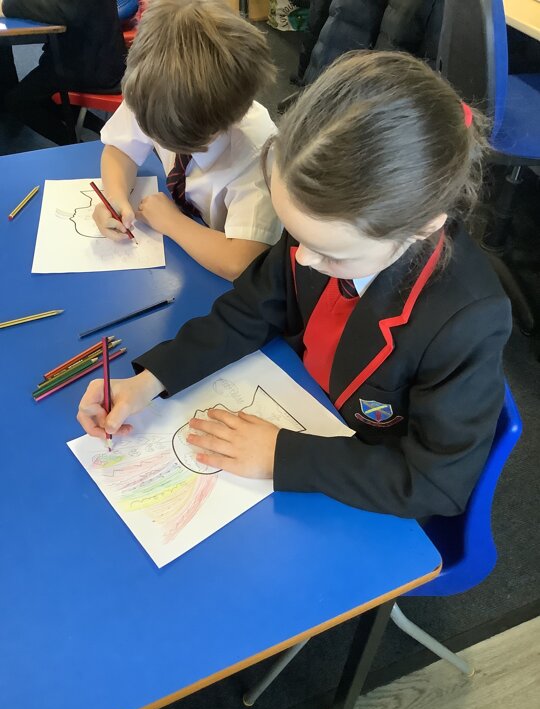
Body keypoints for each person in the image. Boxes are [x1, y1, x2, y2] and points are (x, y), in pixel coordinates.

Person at [77, 51, 512, 520]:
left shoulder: (466, 321)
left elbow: (436, 483)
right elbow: (251, 308)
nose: (302, 258)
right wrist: (150, 381)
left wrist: (282, 455)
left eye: (330, 254)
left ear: (421, 227)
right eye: (296, 236)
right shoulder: (324, 225)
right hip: (297, 397)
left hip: (354, 484)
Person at [93, 0, 281, 281]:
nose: (165, 145)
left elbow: (242, 261)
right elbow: (120, 150)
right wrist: (116, 199)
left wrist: (172, 222)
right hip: (189, 247)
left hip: (220, 257)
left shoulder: (259, 152)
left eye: (188, 143)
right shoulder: (153, 92)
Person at [0, 0, 126, 145]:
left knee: (16, 101)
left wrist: (6, 5)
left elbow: (62, 10)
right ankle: (100, 127)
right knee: (38, 94)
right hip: (100, 57)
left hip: (91, 67)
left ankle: (72, 145)